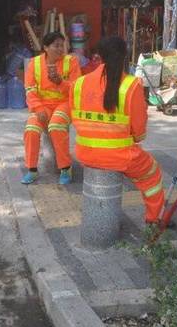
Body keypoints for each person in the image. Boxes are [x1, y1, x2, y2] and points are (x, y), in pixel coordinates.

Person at [69, 36, 165, 225]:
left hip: (85, 153)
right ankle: (154, 218)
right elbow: (138, 132)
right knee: (152, 174)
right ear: (124, 57)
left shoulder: (79, 83)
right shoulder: (131, 85)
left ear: (99, 56)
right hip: (120, 157)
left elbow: (75, 119)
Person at [22, 31, 82, 185]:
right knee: (31, 129)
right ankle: (32, 170)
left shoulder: (72, 62)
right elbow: (30, 90)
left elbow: (77, 89)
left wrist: (60, 82)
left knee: (56, 126)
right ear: (46, 48)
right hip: (42, 105)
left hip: (65, 103)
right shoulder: (34, 64)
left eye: (62, 45)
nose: (61, 49)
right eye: (56, 46)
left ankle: (65, 168)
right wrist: (38, 108)